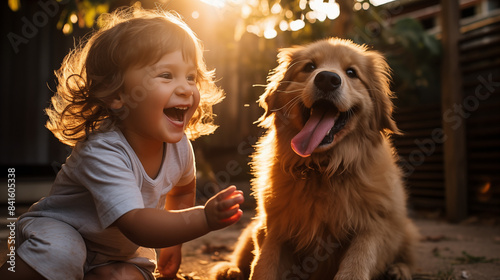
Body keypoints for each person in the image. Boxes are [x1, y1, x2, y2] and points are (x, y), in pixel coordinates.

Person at [0, 7, 244, 280]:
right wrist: (203, 219)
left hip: (117, 251)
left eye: (190, 77)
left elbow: (182, 190)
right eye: (166, 75)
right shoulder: (103, 149)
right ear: (118, 95)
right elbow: (136, 224)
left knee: (128, 276)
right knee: (62, 254)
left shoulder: (180, 147)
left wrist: (172, 245)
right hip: (60, 231)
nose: (186, 88)